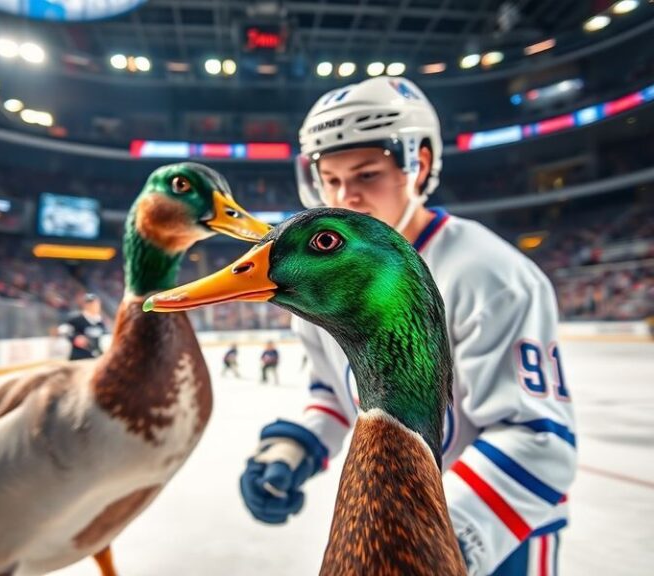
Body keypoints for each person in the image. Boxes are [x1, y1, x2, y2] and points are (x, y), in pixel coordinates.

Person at [240, 77, 577, 576]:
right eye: (330, 179)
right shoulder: (330, 277)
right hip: (400, 522)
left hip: (502, 528)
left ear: (417, 163)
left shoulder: (493, 275)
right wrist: (295, 448)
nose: (345, 196)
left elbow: (537, 439)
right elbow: (335, 393)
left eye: (366, 174)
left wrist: (433, 539)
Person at [58, 293, 107, 361]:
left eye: (96, 304)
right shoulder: (77, 319)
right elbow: (62, 330)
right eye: (91, 304)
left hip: (95, 357)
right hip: (79, 358)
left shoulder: (99, 321)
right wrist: (75, 338)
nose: (94, 306)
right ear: (86, 305)